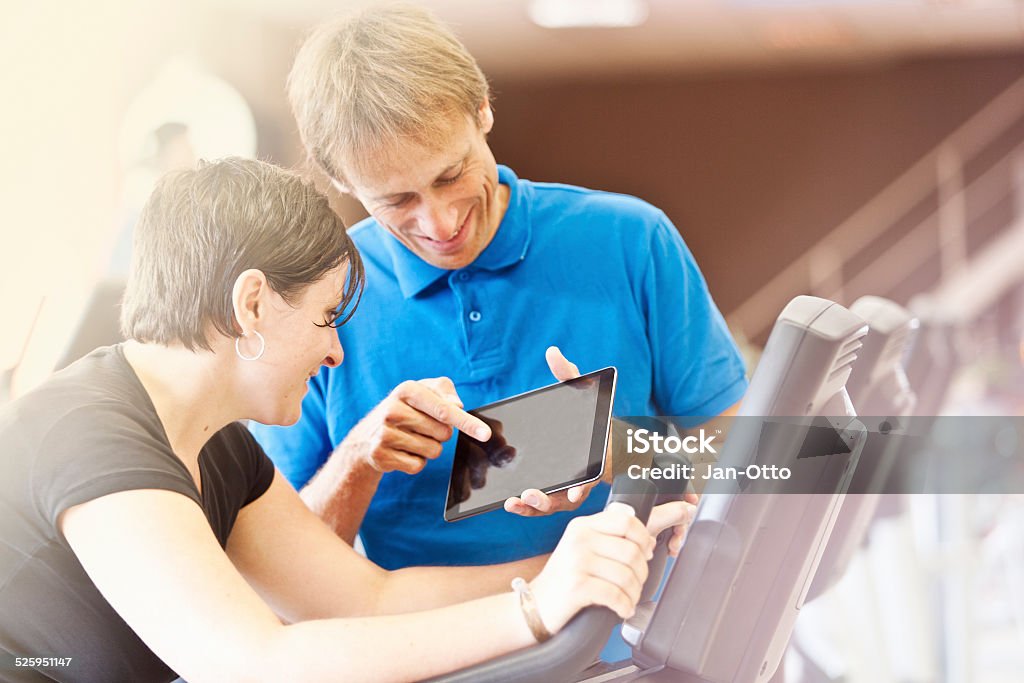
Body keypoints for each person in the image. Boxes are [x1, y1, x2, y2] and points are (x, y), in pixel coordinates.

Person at [0, 158, 691, 682]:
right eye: (326, 316)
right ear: (252, 304)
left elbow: (367, 596)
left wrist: (590, 560)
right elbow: (257, 664)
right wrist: (534, 610)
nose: (335, 347)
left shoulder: (221, 451)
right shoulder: (89, 430)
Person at [252, 3, 747, 571]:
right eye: (397, 201)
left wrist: (618, 451)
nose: (439, 224)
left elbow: (750, 457)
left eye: (450, 174)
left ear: (483, 109)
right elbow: (281, 573)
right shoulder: (318, 298)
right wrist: (360, 458)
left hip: (625, 645)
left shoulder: (631, 240)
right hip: (423, 653)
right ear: (340, 179)